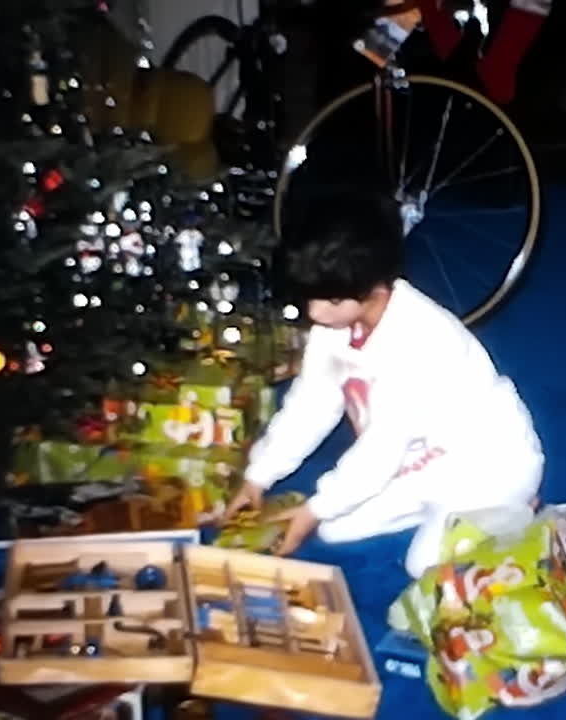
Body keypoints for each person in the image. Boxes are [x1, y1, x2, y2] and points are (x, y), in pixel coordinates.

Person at [225, 189, 544, 578]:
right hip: (419, 462)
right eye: (311, 299)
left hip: (487, 461)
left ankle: (512, 511)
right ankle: (445, 513)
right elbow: (310, 404)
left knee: (421, 564)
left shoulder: (423, 338)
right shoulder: (335, 323)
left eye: (329, 301)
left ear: (375, 291)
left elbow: (381, 447)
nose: (314, 312)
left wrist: (314, 508)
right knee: (334, 529)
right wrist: (259, 475)